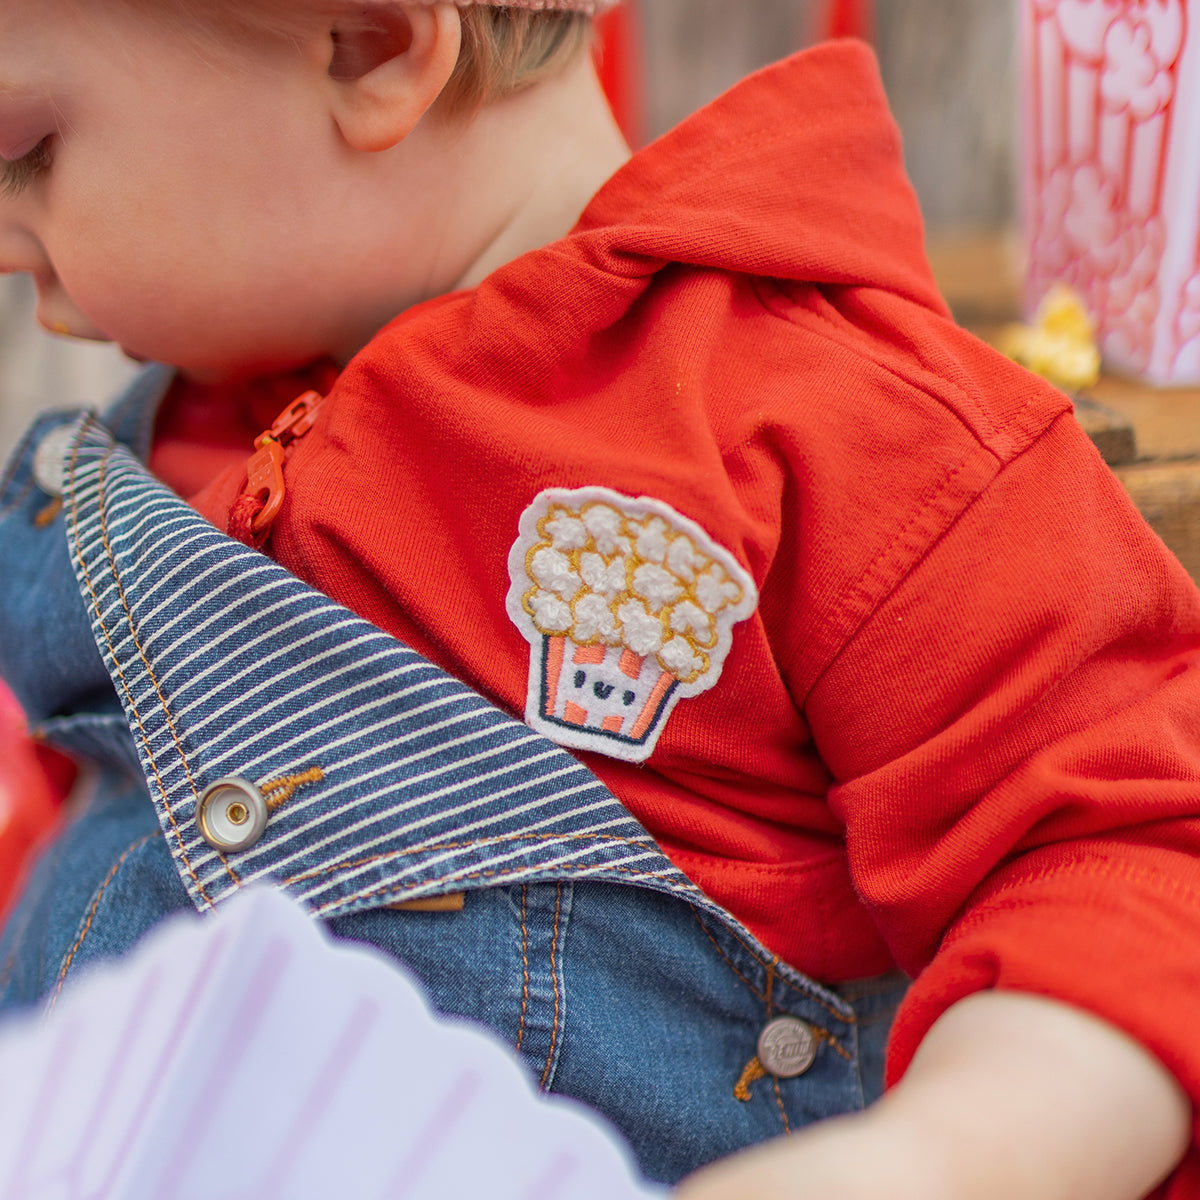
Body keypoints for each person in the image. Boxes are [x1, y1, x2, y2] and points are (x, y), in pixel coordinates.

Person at [0, 1, 1198, 1197]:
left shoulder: (834, 422)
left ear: (371, 47)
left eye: (26, 151)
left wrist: (933, 1163)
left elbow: (1127, 857)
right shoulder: (201, 415)